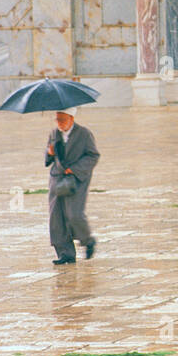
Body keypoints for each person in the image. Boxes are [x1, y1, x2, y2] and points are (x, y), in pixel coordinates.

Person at [45, 108, 100, 266]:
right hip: (57, 178)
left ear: (71, 118)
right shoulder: (54, 134)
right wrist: (49, 153)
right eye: (57, 119)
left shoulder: (84, 134)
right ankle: (65, 253)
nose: (59, 123)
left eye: (62, 119)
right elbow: (48, 159)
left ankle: (87, 240)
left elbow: (93, 155)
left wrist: (75, 169)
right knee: (56, 217)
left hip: (76, 179)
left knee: (74, 214)